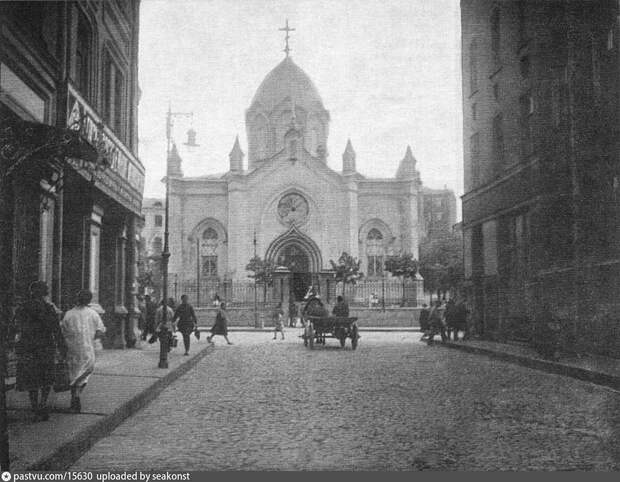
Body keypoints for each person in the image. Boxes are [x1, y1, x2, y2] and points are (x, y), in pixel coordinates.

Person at [14, 281, 65, 421]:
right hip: (46, 347)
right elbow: (56, 329)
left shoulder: (23, 307)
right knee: (45, 377)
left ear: (32, 292)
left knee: (32, 378)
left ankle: (35, 406)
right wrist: (62, 348)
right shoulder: (49, 308)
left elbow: (16, 326)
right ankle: (42, 404)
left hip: (29, 347)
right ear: (45, 293)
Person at [60, 289, 106, 414]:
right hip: (87, 348)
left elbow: (63, 331)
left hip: (72, 348)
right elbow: (100, 331)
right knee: (84, 373)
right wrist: (92, 338)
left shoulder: (69, 314)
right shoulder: (93, 314)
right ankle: (77, 395)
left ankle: (74, 396)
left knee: (73, 373)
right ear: (89, 300)